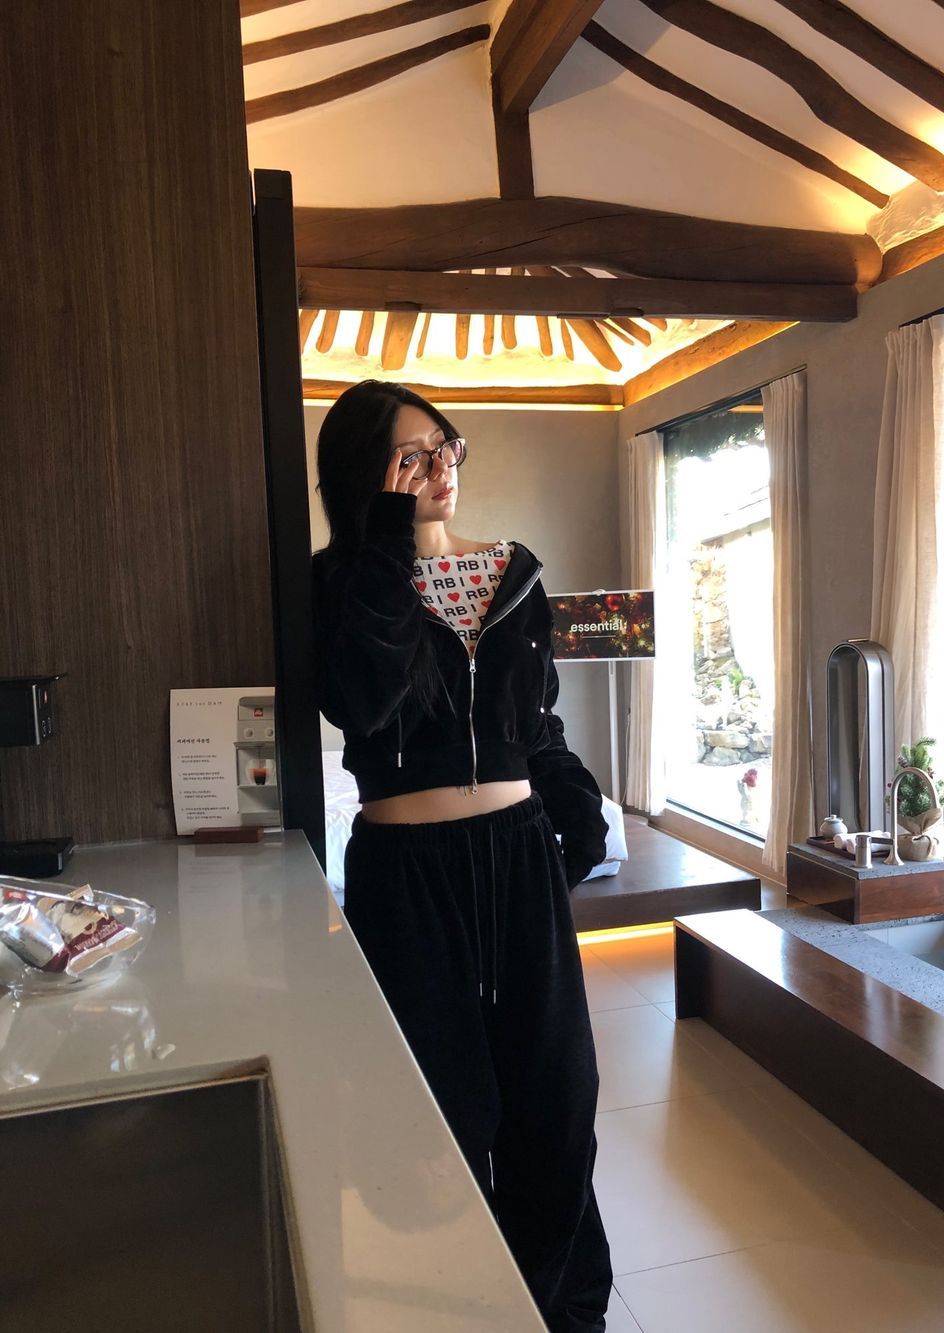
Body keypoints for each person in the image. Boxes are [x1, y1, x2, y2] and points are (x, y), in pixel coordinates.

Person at [312, 379, 613, 1332]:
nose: (438, 469)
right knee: (436, 1116)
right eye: (410, 458)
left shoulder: (514, 570)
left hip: (517, 860)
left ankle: (560, 1308)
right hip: (406, 876)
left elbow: (536, 720)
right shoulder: (340, 582)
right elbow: (361, 700)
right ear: (366, 477)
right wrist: (386, 543)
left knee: (558, 1095)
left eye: (445, 448)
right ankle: (461, 1300)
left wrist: (576, 806)